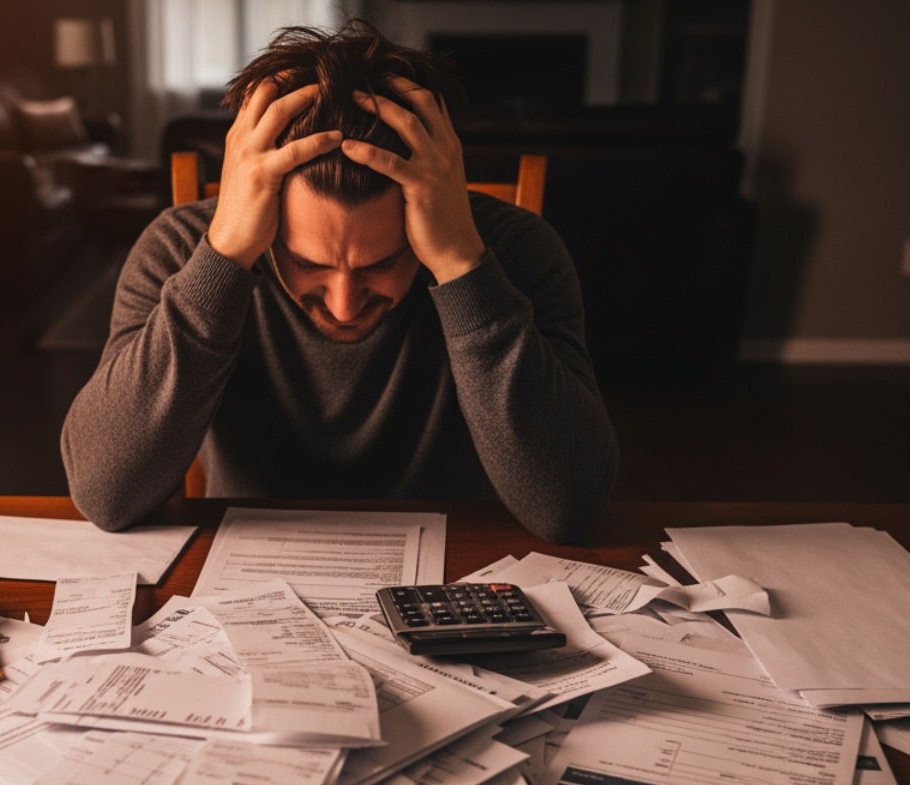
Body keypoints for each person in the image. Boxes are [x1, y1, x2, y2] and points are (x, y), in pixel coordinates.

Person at [61, 21, 617, 544]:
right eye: (308, 263)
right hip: (240, 588)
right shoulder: (182, 249)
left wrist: (462, 268)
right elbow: (105, 495)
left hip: (454, 577)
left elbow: (566, 508)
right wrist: (224, 258)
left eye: (383, 264)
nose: (346, 306)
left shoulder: (515, 252)